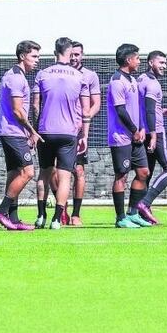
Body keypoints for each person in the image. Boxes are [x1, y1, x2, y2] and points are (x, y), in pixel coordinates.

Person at [32, 37, 90, 229]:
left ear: (54, 51)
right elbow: (85, 110)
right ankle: (57, 218)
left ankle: (41, 216)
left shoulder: (42, 74)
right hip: (68, 134)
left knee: (44, 175)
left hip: (45, 131)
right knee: (65, 177)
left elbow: (35, 105)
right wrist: (84, 135)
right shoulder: (79, 76)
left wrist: (35, 129)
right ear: (69, 51)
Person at [0, 40, 42, 231]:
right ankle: (1, 211)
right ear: (22, 56)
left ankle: (13, 218)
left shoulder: (17, 76)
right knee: (28, 172)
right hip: (13, 133)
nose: (37, 60)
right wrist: (32, 131)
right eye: (34, 56)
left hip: (12, 132)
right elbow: (17, 111)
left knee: (14, 173)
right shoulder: (16, 78)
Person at [106, 43, 151, 228]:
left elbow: (137, 108)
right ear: (128, 59)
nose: (139, 61)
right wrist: (133, 130)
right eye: (138, 58)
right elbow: (121, 111)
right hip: (121, 138)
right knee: (121, 176)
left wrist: (141, 129)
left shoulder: (133, 80)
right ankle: (120, 218)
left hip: (136, 136)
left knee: (143, 173)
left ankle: (133, 213)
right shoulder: (117, 81)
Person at [134, 51, 167, 223]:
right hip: (156, 132)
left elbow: (148, 107)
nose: (164, 66)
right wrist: (153, 136)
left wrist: (164, 111)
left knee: (147, 173)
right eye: (161, 62)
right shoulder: (152, 84)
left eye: (165, 63)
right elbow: (148, 110)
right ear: (150, 62)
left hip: (144, 131)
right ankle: (144, 203)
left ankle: (137, 212)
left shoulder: (140, 79)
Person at [65, 41, 101, 226]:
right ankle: (61, 209)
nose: (74, 58)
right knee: (57, 172)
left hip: (80, 132)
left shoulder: (90, 76)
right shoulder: (60, 73)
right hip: (61, 129)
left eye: (77, 54)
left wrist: (84, 118)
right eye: (71, 54)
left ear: (82, 55)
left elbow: (96, 104)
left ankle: (76, 214)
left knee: (79, 171)